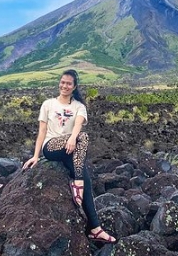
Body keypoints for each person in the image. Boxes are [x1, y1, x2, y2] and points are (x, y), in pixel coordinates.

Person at [23, 69, 116, 243]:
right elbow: (42, 131)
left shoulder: (79, 107)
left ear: (74, 87)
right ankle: (77, 182)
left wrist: (72, 138)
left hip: (71, 149)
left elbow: (78, 124)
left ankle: (95, 228)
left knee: (86, 177)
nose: (64, 86)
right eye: (62, 82)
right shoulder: (48, 104)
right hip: (51, 147)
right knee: (83, 140)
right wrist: (35, 156)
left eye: (68, 83)